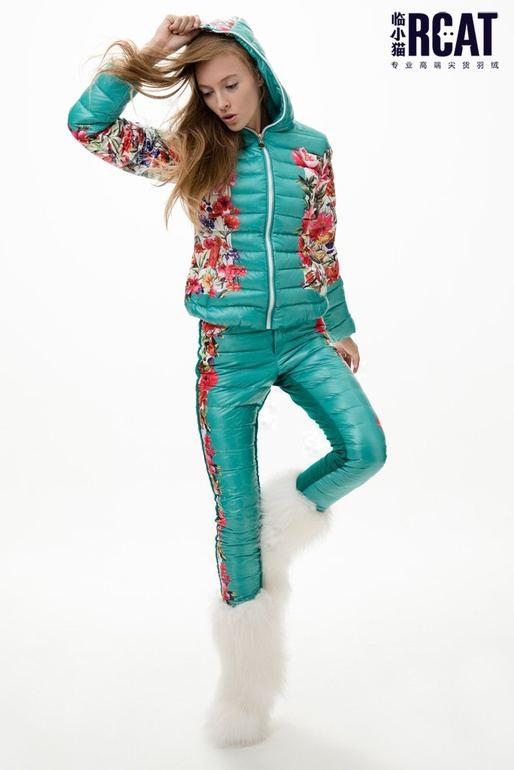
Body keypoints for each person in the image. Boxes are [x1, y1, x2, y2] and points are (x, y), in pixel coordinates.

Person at [67, 13, 387, 749]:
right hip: (229, 353)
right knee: (234, 518)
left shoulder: (311, 151)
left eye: (231, 85)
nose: (221, 103)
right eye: (208, 92)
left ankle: (282, 524)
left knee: (365, 449)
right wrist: (149, 55)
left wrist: (339, 324)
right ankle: (246, 695)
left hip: (302, 337)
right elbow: (89, 128)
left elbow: (321, 242)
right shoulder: (195, 149)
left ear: (260, 75)